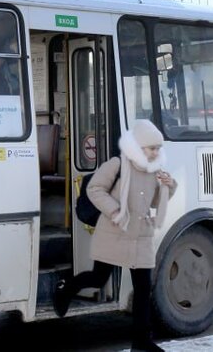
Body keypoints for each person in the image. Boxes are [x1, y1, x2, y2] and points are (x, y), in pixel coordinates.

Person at [52, 119, 177, 352]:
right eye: (152, 148)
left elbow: (157, 202)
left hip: (140, 236)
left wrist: (169, 186)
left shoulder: (155, 171)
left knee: (143, 288)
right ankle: (66, 289)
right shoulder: (117, 164)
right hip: (114, 231)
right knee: (99, 278)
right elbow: (94, 189)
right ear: (139, 147)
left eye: (158, 149)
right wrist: (115, 210)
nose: (156, 153)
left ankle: (141, 342)